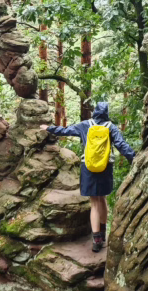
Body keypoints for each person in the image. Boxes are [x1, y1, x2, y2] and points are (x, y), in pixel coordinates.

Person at [43, 100, 135, 251]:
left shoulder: (85, 125)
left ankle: (96, 241)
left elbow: (66, 131)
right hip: (106, 167)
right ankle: (104, 235)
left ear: (94, 112)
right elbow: (121, 144)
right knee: (103, 198)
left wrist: (49, 128)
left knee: (94, 203)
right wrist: (133, 157)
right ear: (106, 113)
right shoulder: (111, 127)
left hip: (89, 167)